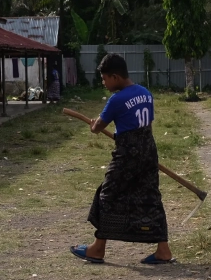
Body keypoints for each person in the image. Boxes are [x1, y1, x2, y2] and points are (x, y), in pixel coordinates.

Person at [71, 53, 173, 265]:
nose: (104, 83)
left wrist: (94, 124)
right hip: (148, 149)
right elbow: (145, 125)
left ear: (115, 77)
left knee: (108, 194)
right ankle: (163, 250)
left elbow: (97, 128)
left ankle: (97, 249)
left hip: (128, 153)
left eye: (105, 78)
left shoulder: (117, 99)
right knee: (151, 196)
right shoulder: (145, 93)